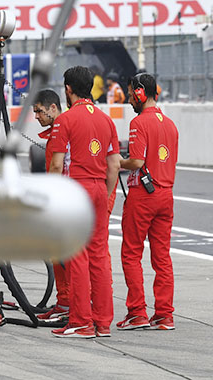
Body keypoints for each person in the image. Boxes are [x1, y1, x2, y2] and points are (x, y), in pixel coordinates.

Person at [49, 66, 121, 338]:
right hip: (99, 189)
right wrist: (105, 191)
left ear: (68, 89)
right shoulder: (106, 120)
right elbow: (114, 165)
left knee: (77, 256)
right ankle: (102, 322)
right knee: (99, 256)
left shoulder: (65, 120)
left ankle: (81, 321)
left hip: (75, 188)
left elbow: (56, 166)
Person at [117, 73, 179, 331]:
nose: (129, 98)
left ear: (142, 92)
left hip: (143, 195)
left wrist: (116, 162)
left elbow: (137, 162)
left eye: (131, 93)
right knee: (162, 256)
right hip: (166, 195)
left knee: (131, 253)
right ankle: (164, 315)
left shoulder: (138, 123)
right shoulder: (171, 124)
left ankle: (137, 312)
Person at [31, 90, 70, 322]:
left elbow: (57, 168)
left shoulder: (62, 128)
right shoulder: (57, 130)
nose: (36, 116)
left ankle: (71, 304)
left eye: (39, 111)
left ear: (53, 108)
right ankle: (65, 301)